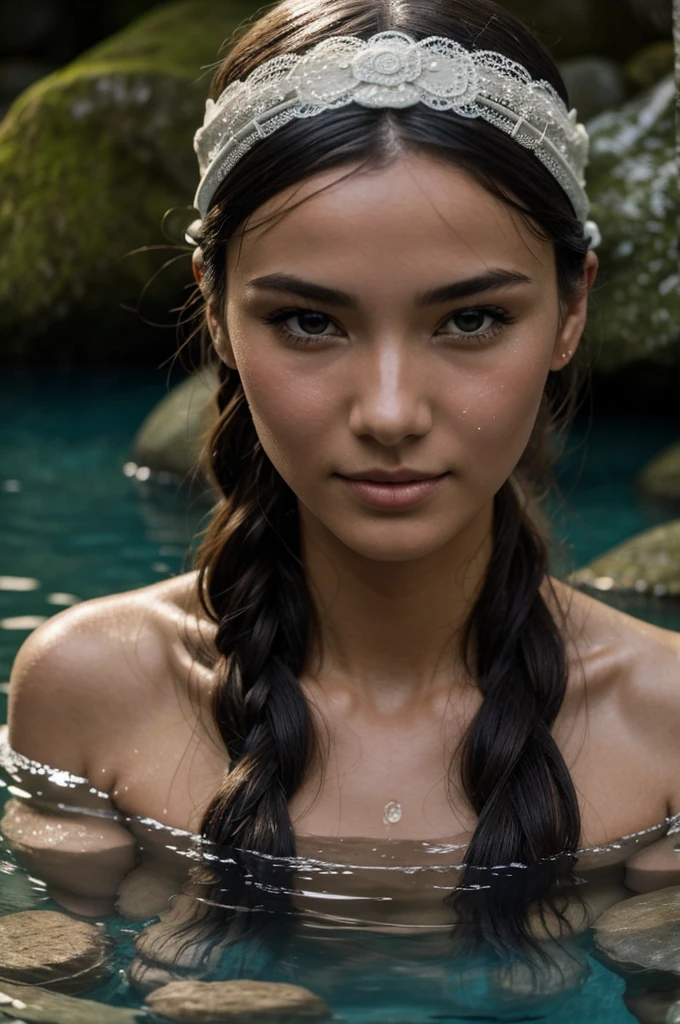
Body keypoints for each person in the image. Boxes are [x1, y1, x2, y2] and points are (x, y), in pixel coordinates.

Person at [2, 0, 680, 986]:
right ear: (216, 309)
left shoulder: (666, 727)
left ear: (571, 307)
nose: (391, 411)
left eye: (472, 318)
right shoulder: (88, 691)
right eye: (310, 322)